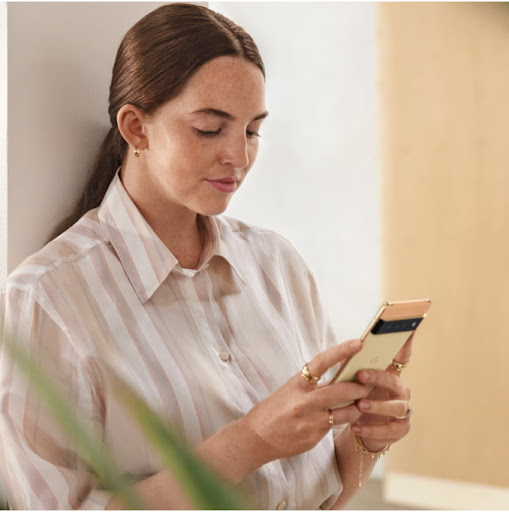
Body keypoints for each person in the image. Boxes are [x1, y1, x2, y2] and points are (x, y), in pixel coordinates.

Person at [0, 3, 413, 509]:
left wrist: (368, 436)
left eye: (252, 130)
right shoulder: (48, 297)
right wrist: (248, 444)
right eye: (209, 128)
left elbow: (321, 493)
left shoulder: (277, 266)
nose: (239, 157)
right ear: (136, 128)